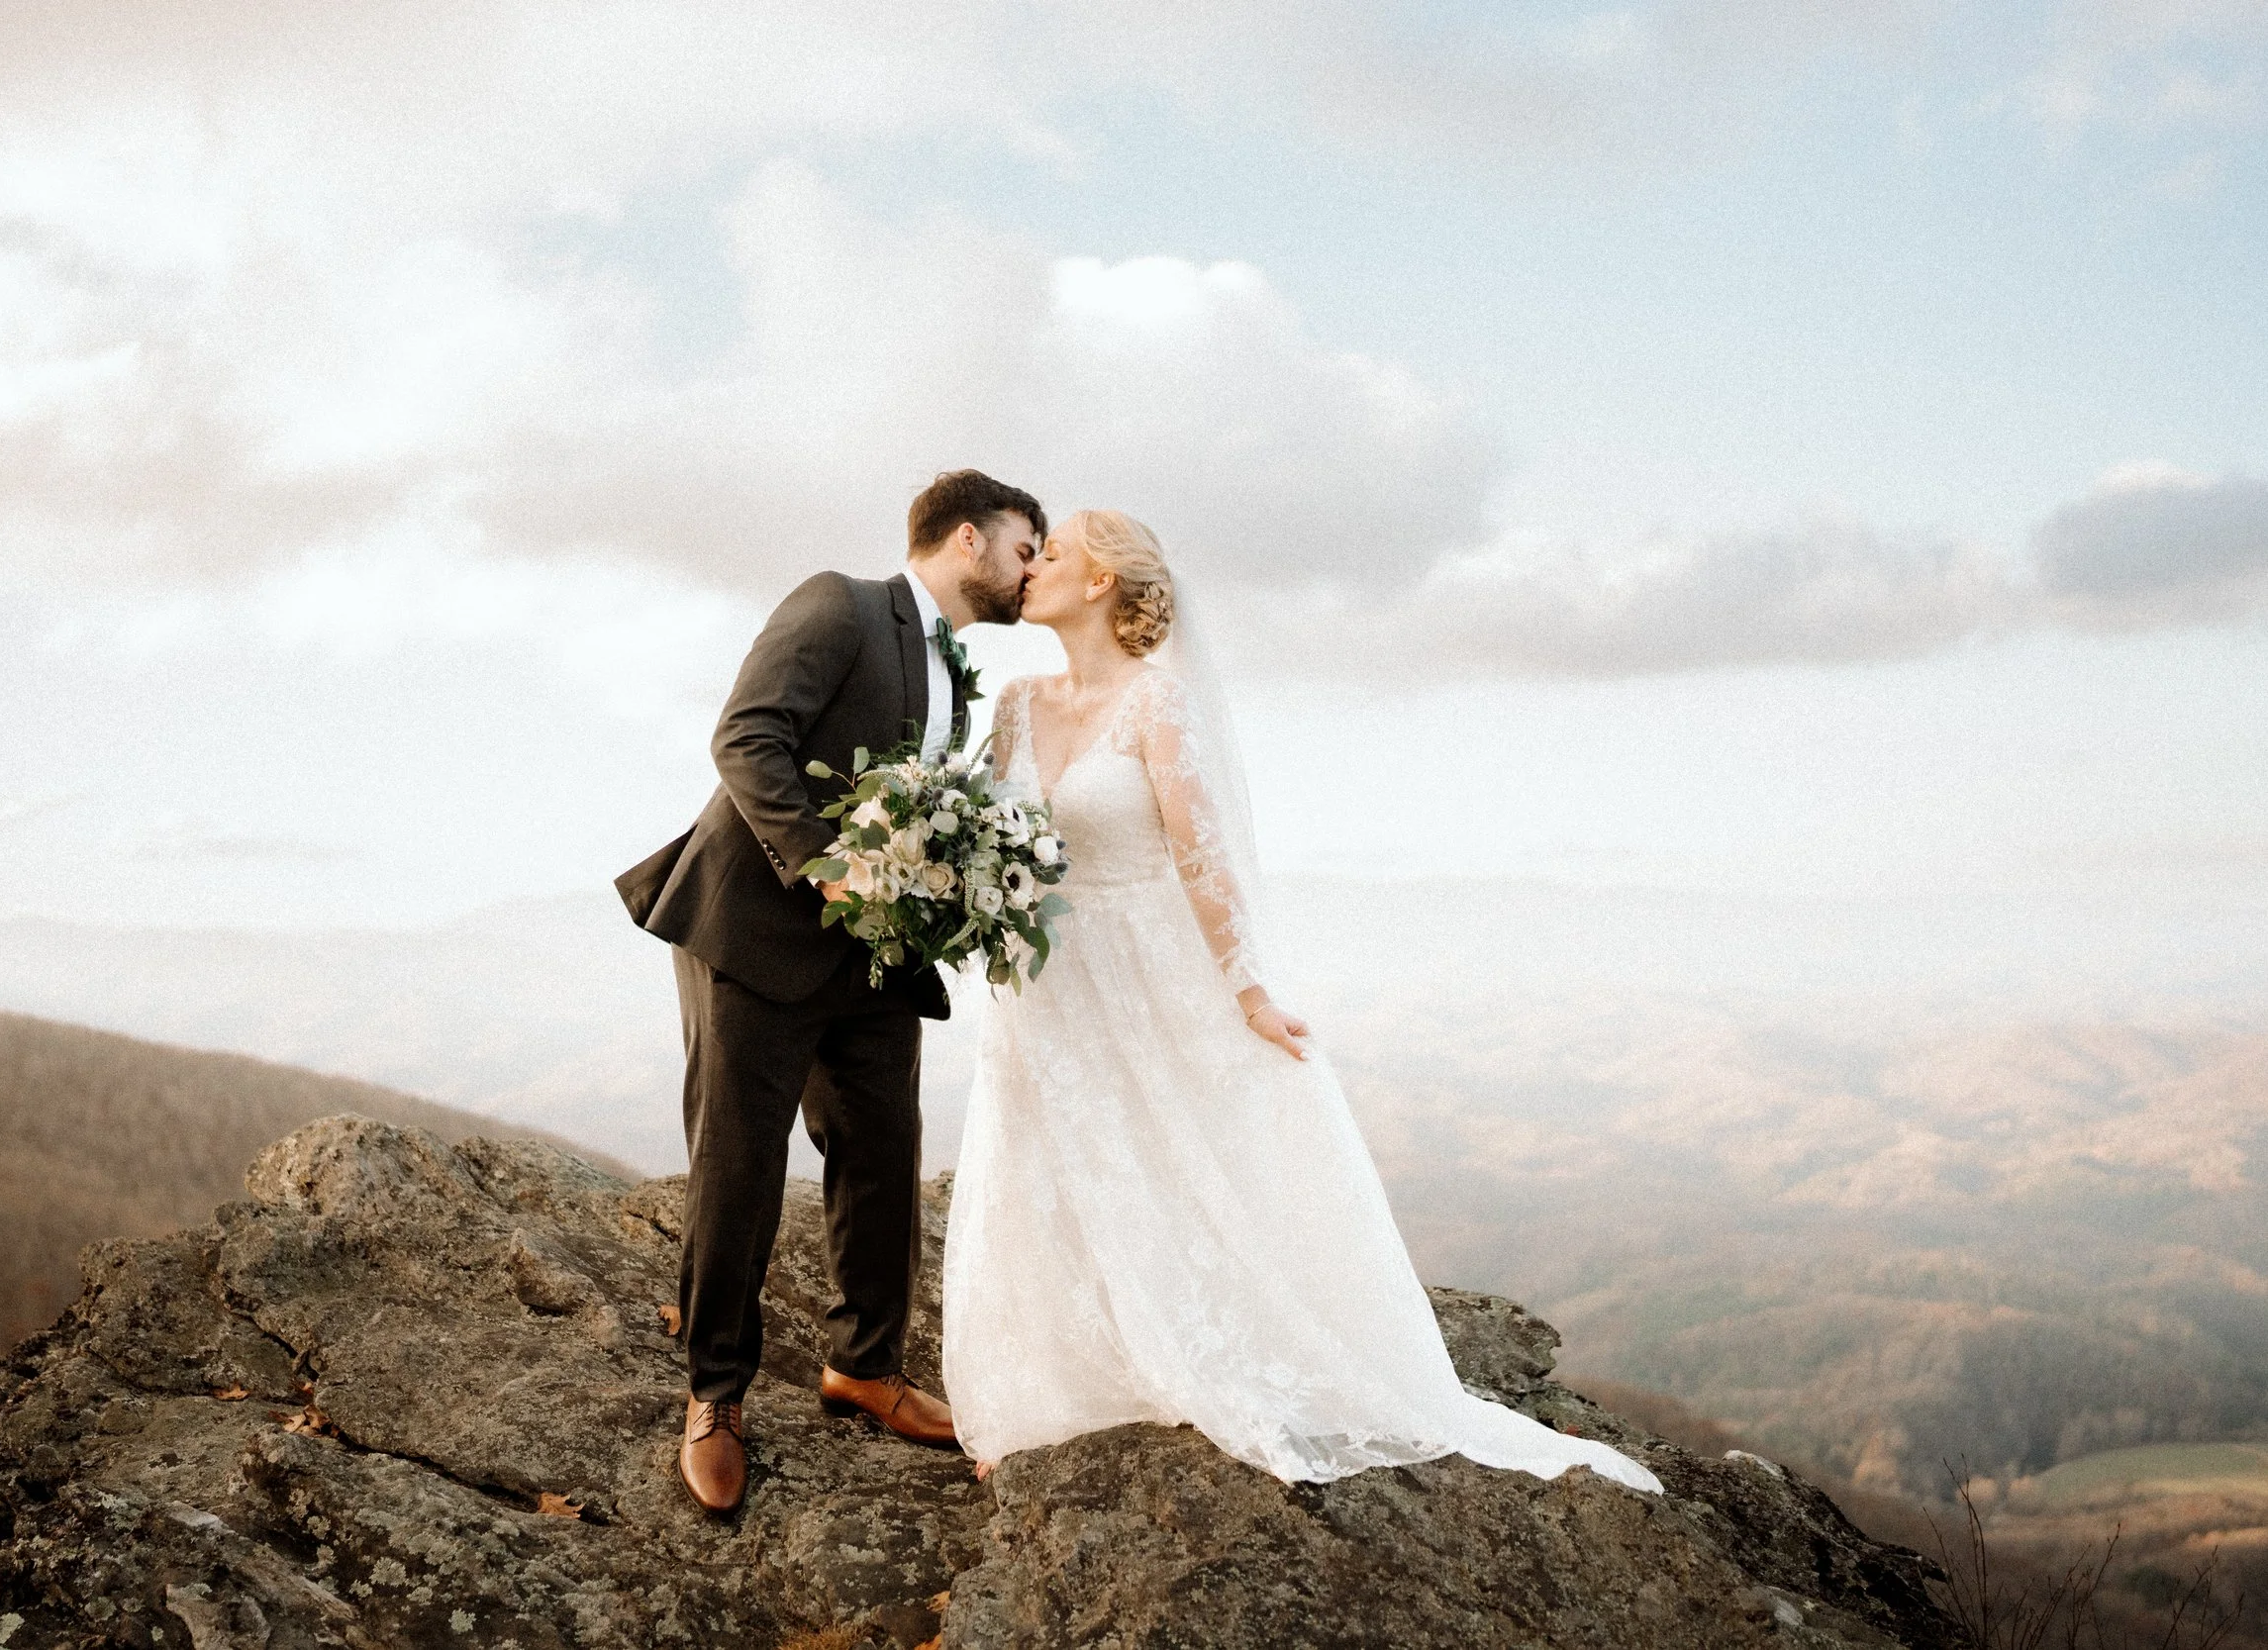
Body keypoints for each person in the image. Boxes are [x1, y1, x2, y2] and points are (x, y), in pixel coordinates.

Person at [939, 509, 1663, 1494]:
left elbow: (1203, 856)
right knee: (1038, 1160)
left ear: (1102, 580)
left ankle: (1202, 1350)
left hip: (1147, 968)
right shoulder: (1016, 705)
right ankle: (1040, 1390)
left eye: (1053, 552)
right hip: (1044, 977)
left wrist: (1247, 992)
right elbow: (984, 836)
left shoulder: (1157, 701)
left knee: (1168, 1156)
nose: (1032, 568)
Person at [617, 469, 1044, 1514]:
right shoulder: (837, 602)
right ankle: (715, 1394)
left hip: (875, 953)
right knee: (740, 1163)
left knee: (882, 1150)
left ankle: (865, 1365)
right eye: (1025, 546)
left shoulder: (952, 664)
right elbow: (745, 737)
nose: (1035, 569)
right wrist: (826, 863)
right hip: (755, 931)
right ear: (964, 536)